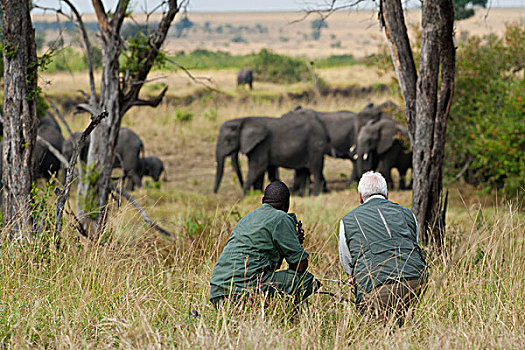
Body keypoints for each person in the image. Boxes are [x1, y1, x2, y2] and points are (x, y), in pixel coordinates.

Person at [338, 171, 428, 322]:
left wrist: (356, 277)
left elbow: (347, 265)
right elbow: (414, 246)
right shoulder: (408, 213)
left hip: (376, 287)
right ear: (387, 193)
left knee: (379, 331)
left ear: (360, 197)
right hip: (416, 282)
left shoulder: (347, 221)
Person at [210, 181, 316, 306]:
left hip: (218, 291)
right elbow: (300, 265)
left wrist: (289, 243)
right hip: (243, 291)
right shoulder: (281, 217)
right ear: (287, 203)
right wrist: (295, 245)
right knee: (305, 281)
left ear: (263, 201)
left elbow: (263, 265)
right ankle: (289, 320)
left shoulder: (248, 218)